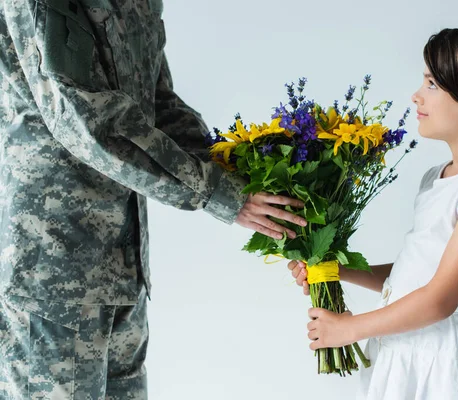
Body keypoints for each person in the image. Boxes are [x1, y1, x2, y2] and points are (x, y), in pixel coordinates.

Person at [0, 1, 306, 398]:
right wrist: (217, 193)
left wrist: (246, 174)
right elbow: (84, 118)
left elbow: (157, 106)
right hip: (56, 271)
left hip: (124, 269)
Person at [289, 25, 458, 400]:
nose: (416, 96)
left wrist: (350, 328)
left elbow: (440, 299)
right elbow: (416, 276)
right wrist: (337, 270)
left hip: (441, 364)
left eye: (432, 85)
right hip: (405, 354)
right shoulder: (437, 178)